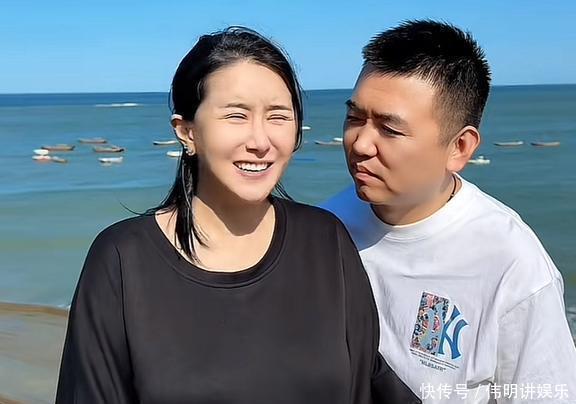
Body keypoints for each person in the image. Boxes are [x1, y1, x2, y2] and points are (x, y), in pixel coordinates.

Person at [56, 27, 418, 404]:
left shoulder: (325, 239)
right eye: (236, 116)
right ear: (187, 132)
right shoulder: (122, 258)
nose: (260, 142)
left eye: (278, 116)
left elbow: (367, 379)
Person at [323, 20, 576, 403]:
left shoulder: (511, 264)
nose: (360, 144)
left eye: (390, 129)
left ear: (459, 148)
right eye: (355, 118)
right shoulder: (326, 229)